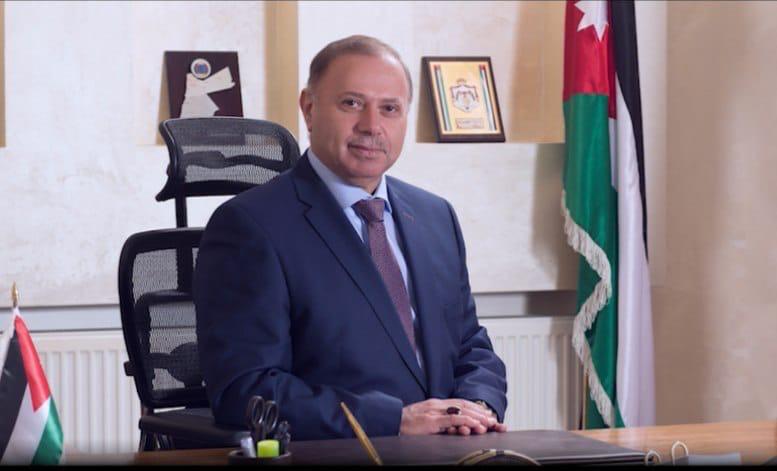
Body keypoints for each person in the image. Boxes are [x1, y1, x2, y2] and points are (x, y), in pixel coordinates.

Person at [193, 35, 507, 441]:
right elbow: (245, 389)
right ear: (309, 108)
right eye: (352, 103)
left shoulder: (435, 216)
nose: (372, 126)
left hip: (453, 449)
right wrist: (393, 420)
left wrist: (477, 407)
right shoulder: (250, 226)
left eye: (389, 108)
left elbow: (470, 345)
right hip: (342, 450)